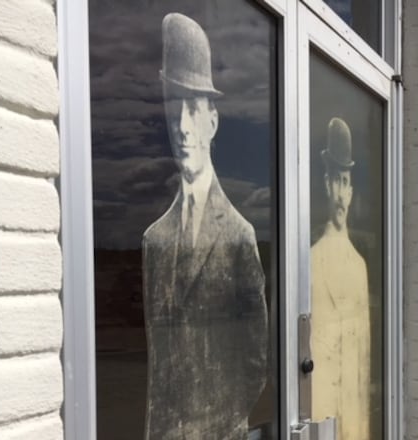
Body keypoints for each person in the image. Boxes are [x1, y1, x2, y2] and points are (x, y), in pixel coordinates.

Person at [141, 12, 267, 439]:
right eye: (173, 107)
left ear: (212, 121)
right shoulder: (154, 240)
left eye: (193, 109)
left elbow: (255, 362)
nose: (182, 126)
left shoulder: (238, 236)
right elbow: (157, 373)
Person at [310, 117, 371, 439]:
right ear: (325, 182)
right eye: (334, 179)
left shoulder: (359, 266)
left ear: (351, 190)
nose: (339, 191)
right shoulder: (309, 261)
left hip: (353, 419)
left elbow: (362, 363)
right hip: (318, 414)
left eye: (345, 180)